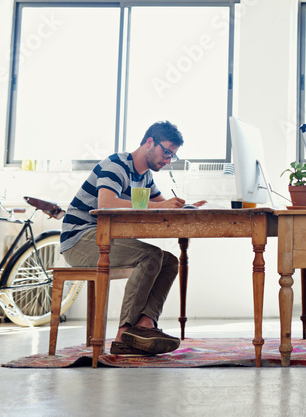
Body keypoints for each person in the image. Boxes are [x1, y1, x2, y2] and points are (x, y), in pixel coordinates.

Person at [60, 121, 204, 355]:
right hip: (80, 239)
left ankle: (144, 325)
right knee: (151, 255)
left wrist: (185, 207)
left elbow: (160, 205)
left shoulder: (145, 176)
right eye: (166, 152)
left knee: (169, 261)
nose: (168, 160)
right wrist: (164, 206)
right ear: (150, 142)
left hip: (104, 239)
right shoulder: (116, 164)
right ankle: (123, 336)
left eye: (172, 156)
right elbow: (105, 203)